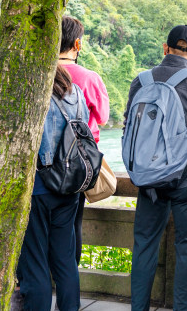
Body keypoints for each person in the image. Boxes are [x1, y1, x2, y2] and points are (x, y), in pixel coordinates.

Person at [125, 25, 187, 311]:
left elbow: (129, 127)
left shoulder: (140, 81)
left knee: (143, 246)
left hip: (149, 180)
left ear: (164, 48)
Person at [16, 66, 87, 311]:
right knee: (65, 260)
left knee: (35, 261)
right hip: (68, 186)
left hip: (37, 188)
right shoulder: (75, 92)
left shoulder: (33, 95)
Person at [57, 16, 109, 264]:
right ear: (77, 44)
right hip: (77, 163)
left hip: (40, 163)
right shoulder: (89, 77)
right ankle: (68, 280)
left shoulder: (36, 74)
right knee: (73, 224)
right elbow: (103, 116)